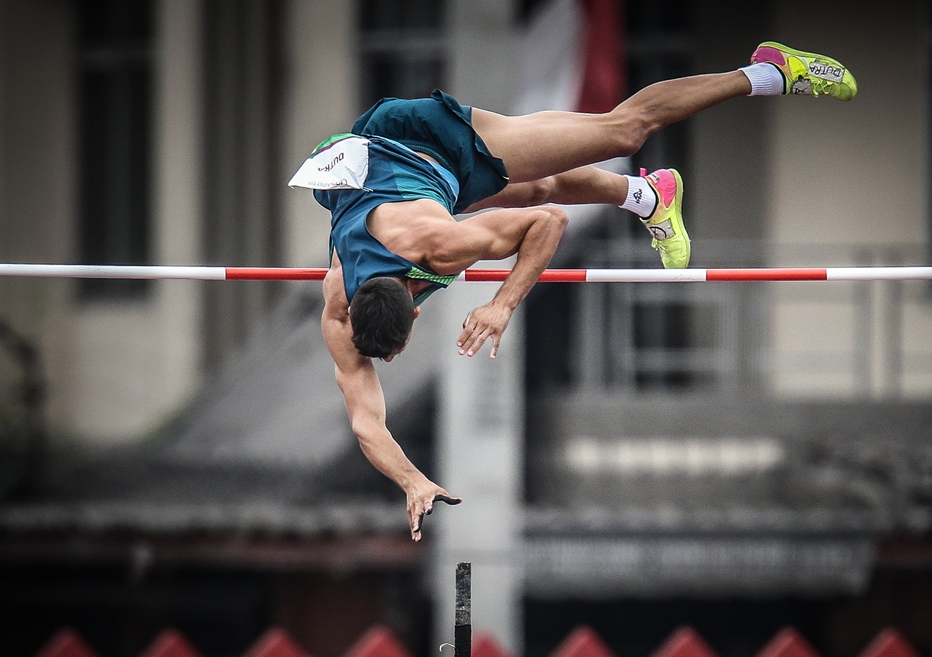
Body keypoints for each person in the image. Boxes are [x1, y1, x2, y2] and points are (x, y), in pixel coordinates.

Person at [290, 42, 856, 541]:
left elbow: (549, 223)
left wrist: (501, 304)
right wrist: (412, 481)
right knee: (533, 181)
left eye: (393, 350)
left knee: (623, 131)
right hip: (378, 168)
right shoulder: (338, 307)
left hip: (431, 142)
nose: (388, 360)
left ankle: (769, 72)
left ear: (412, 311)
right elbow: (367, 421)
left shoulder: (445, 246)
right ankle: (647, 197)